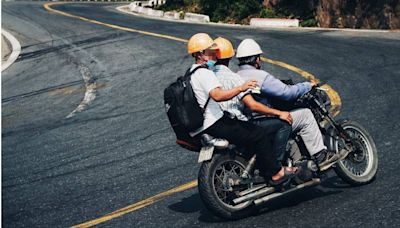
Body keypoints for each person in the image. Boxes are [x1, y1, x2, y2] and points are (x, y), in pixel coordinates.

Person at [187, 33, 298, 184]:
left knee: (248, 132)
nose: (214, 54)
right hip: (216, 123)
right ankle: (276, 172)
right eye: (211, 51)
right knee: (258, 134)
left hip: (204, 125)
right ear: (201, 53)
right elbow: (218, 95)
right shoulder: (205, 73)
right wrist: (241, 88)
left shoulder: (191, 73)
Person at [235, 38, 341, 171]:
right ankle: (321, 156)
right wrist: (307, 85)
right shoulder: (260, 76)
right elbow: (287, 93)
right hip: (264, 119)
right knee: (305, 115)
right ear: (257, 59)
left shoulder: (236, 76)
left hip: (248, 122)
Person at [212, 37, 293, 166]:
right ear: (230, 57)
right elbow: (253, 105)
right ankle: (276, 167)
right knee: (283, 124)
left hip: (214, 123)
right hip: (236, 123)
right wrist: (279, 113)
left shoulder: (206, 76)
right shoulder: (235, 78)